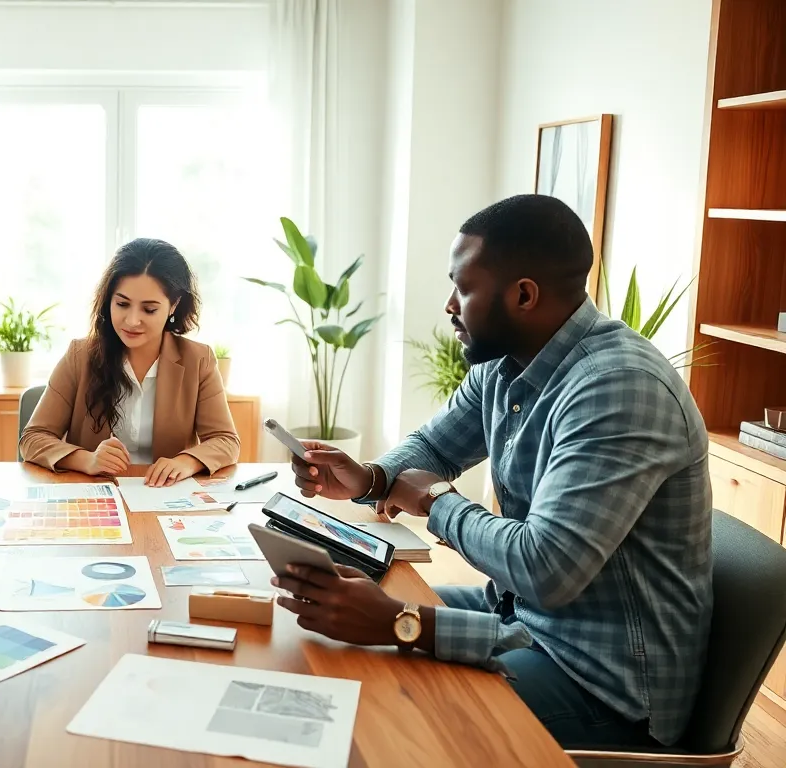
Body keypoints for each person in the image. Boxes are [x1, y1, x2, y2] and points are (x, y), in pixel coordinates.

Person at [276, 194, 712, 750]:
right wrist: (370, 479)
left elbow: (545, 569)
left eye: (462, 287)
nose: (449, 305)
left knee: (382, 712)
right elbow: (431, 446)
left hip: (603, 684)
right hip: (523, 625)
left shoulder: (618, 387)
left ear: (523, 295)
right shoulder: (508, 363)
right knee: (331, 627)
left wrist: (435, 510)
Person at [20, 238, 240, 486]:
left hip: (164, 497)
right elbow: (33, 439)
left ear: (173, 306)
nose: (132, 320)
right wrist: (88, 460)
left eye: (149, 309)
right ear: (108, 299)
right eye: (122, 304)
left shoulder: (198, 360)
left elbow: (226, 441)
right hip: (96, 495)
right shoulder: (79, 356)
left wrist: (185, 462)